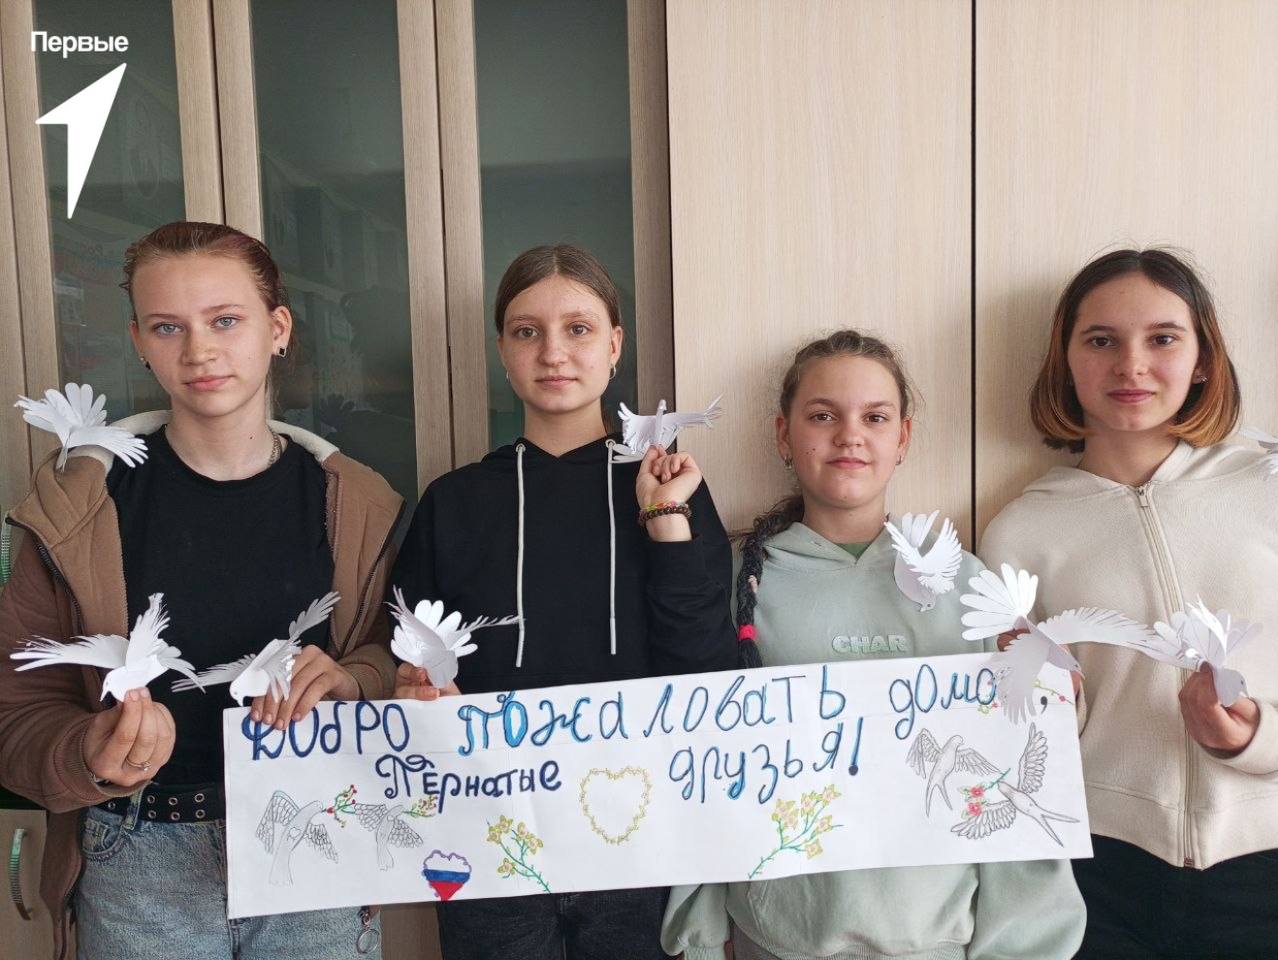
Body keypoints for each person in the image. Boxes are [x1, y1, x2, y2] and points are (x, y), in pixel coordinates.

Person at [0, 221, 402, 960]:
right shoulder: (74, 510)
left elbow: (391, 656)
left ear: (277, 329)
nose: (199, 351)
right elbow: (17, 712)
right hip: (139, 863)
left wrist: (353, 678)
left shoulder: (357, 504)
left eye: (225, 320)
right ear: (139, 340)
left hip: (315, 840)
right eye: (167, 327)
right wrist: (88, 750)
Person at [664, 329, 1085, 960]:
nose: (849, 435)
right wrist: (699, 934)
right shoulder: (731, 585)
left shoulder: (968, 586)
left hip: (939, 939)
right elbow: (696, 761)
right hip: (774, 939)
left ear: (903, 438)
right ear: (783, 435)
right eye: (822, 416)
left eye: (875, 417)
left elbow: (1012, 781)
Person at [391, 243, 737, 960]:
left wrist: (664, 520)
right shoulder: (453, 502)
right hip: (492, 839)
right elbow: (411, 665)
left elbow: (706, 669)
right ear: (502, 350)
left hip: (641, 838)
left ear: (614, 346)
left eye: (578, 329)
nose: (553, 352)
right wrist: (418, 689)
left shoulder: (670, 490)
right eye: (528, 331)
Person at [979, 248, 1278, 960]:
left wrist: (1255, 739)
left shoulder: (1268, 488)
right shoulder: (1019, 531)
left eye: (1163, 338)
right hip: (1096, 877)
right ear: (1066, 360)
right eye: (1101, 340)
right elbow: (1015, 742)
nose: (1131, 365)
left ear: (1202, 358)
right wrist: (1051, 699)